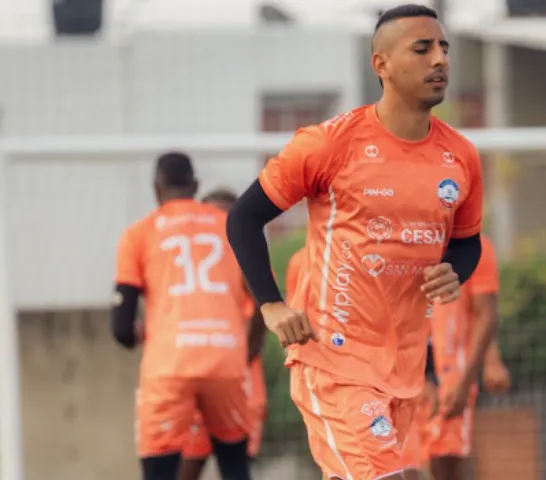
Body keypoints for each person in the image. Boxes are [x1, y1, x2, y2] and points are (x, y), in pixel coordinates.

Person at [224, 4, 485, 479]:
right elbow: (243, 218)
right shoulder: (330, 144)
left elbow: (468, 244)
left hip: (403, 368)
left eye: (444, 48)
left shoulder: (461, 157)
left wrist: (456, 271)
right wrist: (271, 305)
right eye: (422, 48)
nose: (439, 60)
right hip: (334, 359)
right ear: (380, 65)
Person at [111, 153, 265, 480]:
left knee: (163, 470)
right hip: (225, 359)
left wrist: (142, 333)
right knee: (234, 463)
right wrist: (245, 352)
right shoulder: (229, 225)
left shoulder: (139, 234)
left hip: (170, 363)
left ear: (156, 188)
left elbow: (121, 329)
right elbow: (265, 301)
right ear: (195, 186)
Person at [174, 188, 269, 480]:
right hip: (194, 383)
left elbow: (264, 316)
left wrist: (238, 360)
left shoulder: (251, 263)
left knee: (236, 467)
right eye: (210, 216)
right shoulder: (188, 268)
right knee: (186, 468)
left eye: (225, 218)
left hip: (240, 386)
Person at [413, 234, 505, 479]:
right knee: (402, 466)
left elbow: (485, 315)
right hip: (405, 372)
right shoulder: (406, 239)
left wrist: (467, 380)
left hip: (452, 376)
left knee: (446, 461)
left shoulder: (476, 248)